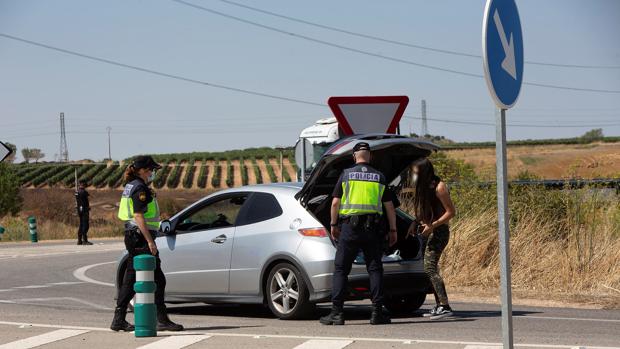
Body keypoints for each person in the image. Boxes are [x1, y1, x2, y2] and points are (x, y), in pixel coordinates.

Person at [320, 142, 398, 326]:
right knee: (375, 269)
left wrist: (333, 224)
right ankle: (377, 313)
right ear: (369, 156)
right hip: (373, 230)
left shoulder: (346, 175)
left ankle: (337, 314)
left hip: (349, 229)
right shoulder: (379, 177)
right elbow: (389, 207)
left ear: (354, 156)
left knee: (341, 270)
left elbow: (334, 203)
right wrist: (393, 229)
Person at [110, 155, 184, 332]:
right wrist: (150, 241)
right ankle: (162, 319)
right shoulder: (139, 188)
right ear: (142, 170)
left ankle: (118, 319)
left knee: (131, 277)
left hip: (134, 235)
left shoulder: (132, 186)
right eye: (151, 170)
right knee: (157, 279)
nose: (153, 173)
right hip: (140, 237)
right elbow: (138, 215)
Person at [406, 158, 456, 320]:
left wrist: (432, 226)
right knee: (431, 268)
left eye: (416, 172)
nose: (413, 175)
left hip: (439, 232)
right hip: (429, 230)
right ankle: (439, 304)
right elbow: (425, 210)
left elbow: (450, 212)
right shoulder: (423, 187)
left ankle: (445, 305)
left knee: (430, 268)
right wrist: (415, 221)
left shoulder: (439, 187)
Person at [75, 179, 92, 245]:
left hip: (79, 210)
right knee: (85, 225)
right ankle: (84, 240)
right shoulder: (84, 192)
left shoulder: (77, 192)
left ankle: (79, 240)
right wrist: (88, 208)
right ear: (83, 184)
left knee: (81, 224)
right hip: (85, 210)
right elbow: (88, 198)